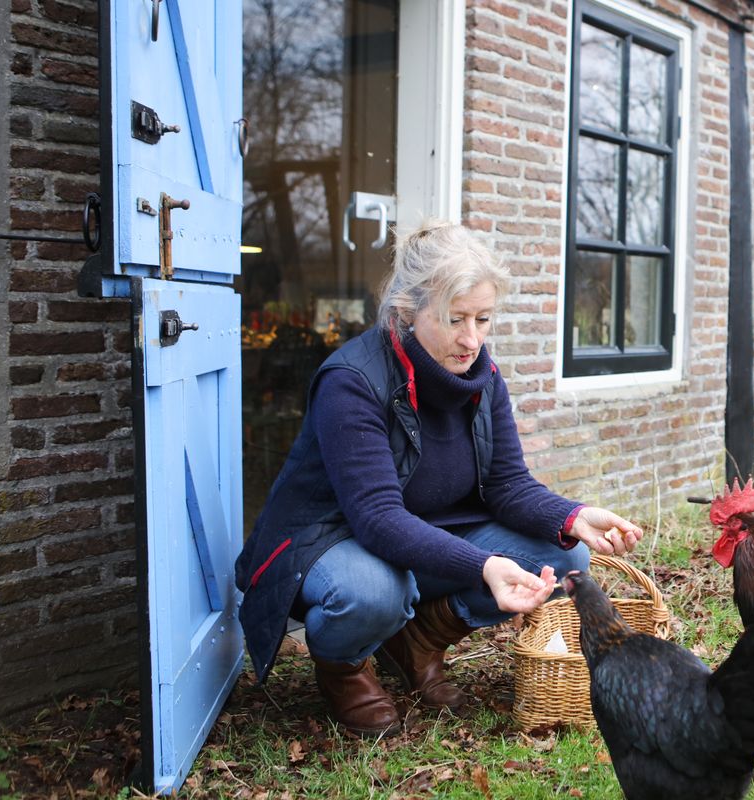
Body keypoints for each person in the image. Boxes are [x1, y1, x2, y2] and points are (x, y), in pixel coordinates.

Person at [234, 219, 643, 736]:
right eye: (455, 319)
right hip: (332, 539)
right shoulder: (351, 381)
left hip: (422, 534)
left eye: (484, 318)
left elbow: (507, 484)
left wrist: (573, 514)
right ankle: (343, 666)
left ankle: (418, 640)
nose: (471, 339)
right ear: (408, 310)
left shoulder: (483, 376)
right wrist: (484, 565)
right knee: (374, 593)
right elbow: (378, 519)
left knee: (564, 554)